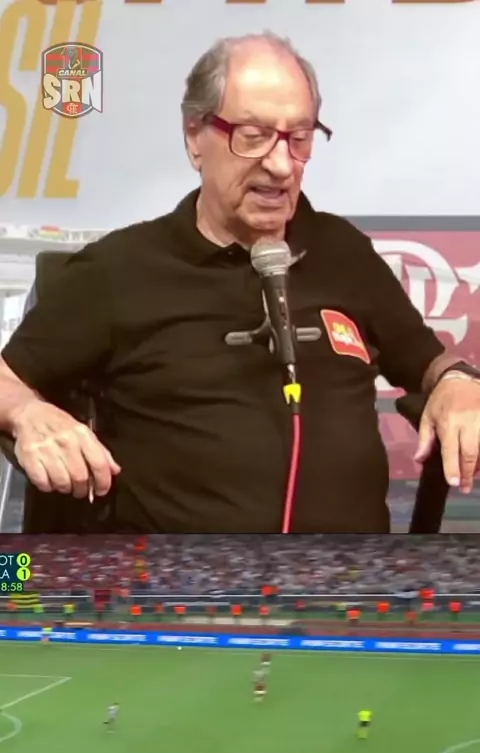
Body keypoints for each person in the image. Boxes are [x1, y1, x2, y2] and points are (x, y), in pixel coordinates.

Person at [1, 33, 480, 534]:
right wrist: (28, 415)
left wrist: (457, 384)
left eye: (300, 138)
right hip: (180, 578)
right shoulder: (118, 270)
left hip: (349, 574)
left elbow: (429, 363)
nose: (281, 165)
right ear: (195, 136)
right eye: (253, 135)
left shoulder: (344, 252)